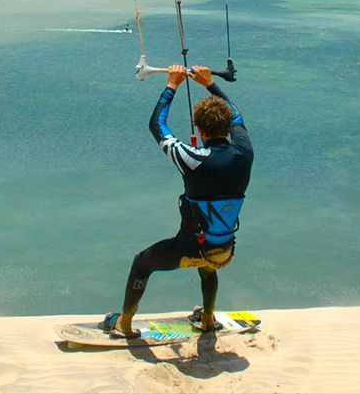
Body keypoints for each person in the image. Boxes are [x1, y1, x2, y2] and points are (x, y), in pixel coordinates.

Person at [102, 64, 253, 338]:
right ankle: (207, 319)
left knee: (141, 264)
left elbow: (157, 125)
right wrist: (210, 85)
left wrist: (172, 85)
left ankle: (124, 324)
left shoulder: (192, 159)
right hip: (224, 251)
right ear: (227, 128)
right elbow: (238, 116)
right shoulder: (244, 153)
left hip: (188, 249)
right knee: (208, 268)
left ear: (199, 127)